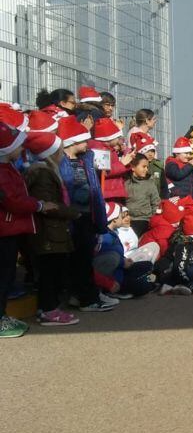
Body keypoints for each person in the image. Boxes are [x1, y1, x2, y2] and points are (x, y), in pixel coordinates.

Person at [56, 117, 117, 313]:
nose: (87, 143)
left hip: (87, 216)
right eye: (83, 140)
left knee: (84, 259)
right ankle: (86, 298)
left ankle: (84, 295)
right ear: (72, 142)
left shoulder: (86, 159)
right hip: (72, 217)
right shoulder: (61, 162)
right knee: (79, 260)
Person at [21, 131, 79, 327]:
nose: (62, 153)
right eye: (59, 150)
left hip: (50, 231)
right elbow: (49, 205)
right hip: (49, 232)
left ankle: (48, 308)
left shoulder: (44, 172)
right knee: (50, 272)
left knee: (50, 271)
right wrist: (73, 213)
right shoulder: (43, 174)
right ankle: (49, 310)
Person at [124, 153, 160, 236]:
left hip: (144, 219)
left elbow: (156, 202)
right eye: (143, 167)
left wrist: (154, 219)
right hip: (128, 219)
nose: (146, 169)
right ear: (133, 167)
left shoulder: (149, 183)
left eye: (147, 167)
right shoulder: (125, 182)